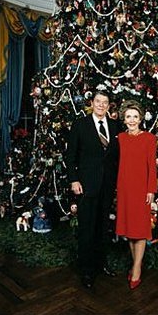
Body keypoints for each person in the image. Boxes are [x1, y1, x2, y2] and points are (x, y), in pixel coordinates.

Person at [65, 90, 120, 289]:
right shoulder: (80, 125)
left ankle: (101, 264)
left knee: (103, 227)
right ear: (92, 103)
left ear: (108, 105)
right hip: (86, 186)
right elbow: (70, 156)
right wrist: (74, 180)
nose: (101, 105)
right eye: (98, 101)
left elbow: (117, 158)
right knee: (87, 228)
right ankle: (87, 271)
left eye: (105, 102)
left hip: (107, 186)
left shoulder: (115, 126)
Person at [115, 100, 157, 290]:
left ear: (140, 118)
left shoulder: (149, 138)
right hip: (124, 189)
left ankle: (137, 268)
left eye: (135, 116)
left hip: (141, 190)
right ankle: (135, 264)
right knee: (130, 231)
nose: (132, 120)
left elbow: (152, 167)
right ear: (124, 119)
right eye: (128, 117)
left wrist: (151, 190)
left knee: (139, 230)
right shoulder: (120, 138)